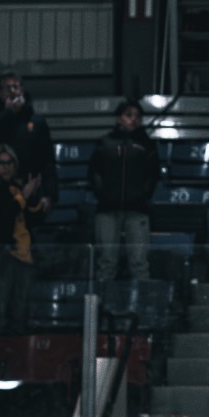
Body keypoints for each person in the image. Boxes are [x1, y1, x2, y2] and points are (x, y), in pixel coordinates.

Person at [0, 145, 47, 335]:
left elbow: (36, 219)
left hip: (23, 256)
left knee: (20, 312)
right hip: (0, 254)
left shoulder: (17, 187)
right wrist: (24, 196)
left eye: (9, 163)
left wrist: (33, 195)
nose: (6, 167)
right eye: (1, 163)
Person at [87, 101, 159, 282]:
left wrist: (143, 195)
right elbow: (94, 173)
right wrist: (103, 194)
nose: (133, 119)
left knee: (139, 263)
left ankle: (141, 308)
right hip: (107, 209)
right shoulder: (104, 143)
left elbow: (153, 175)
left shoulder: (147, 145)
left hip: (137, 210)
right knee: (106, 263)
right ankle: (104, 308)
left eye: (137, 116)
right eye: (129, 115)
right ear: (119, 118)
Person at [0, 73, 57, 199]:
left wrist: (50, 195)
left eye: (16, 87)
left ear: (22, 90)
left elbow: (48, 161)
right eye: (7, 88)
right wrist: (8, 113)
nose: (13, 92)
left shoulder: (37, 122)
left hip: (28, 191)